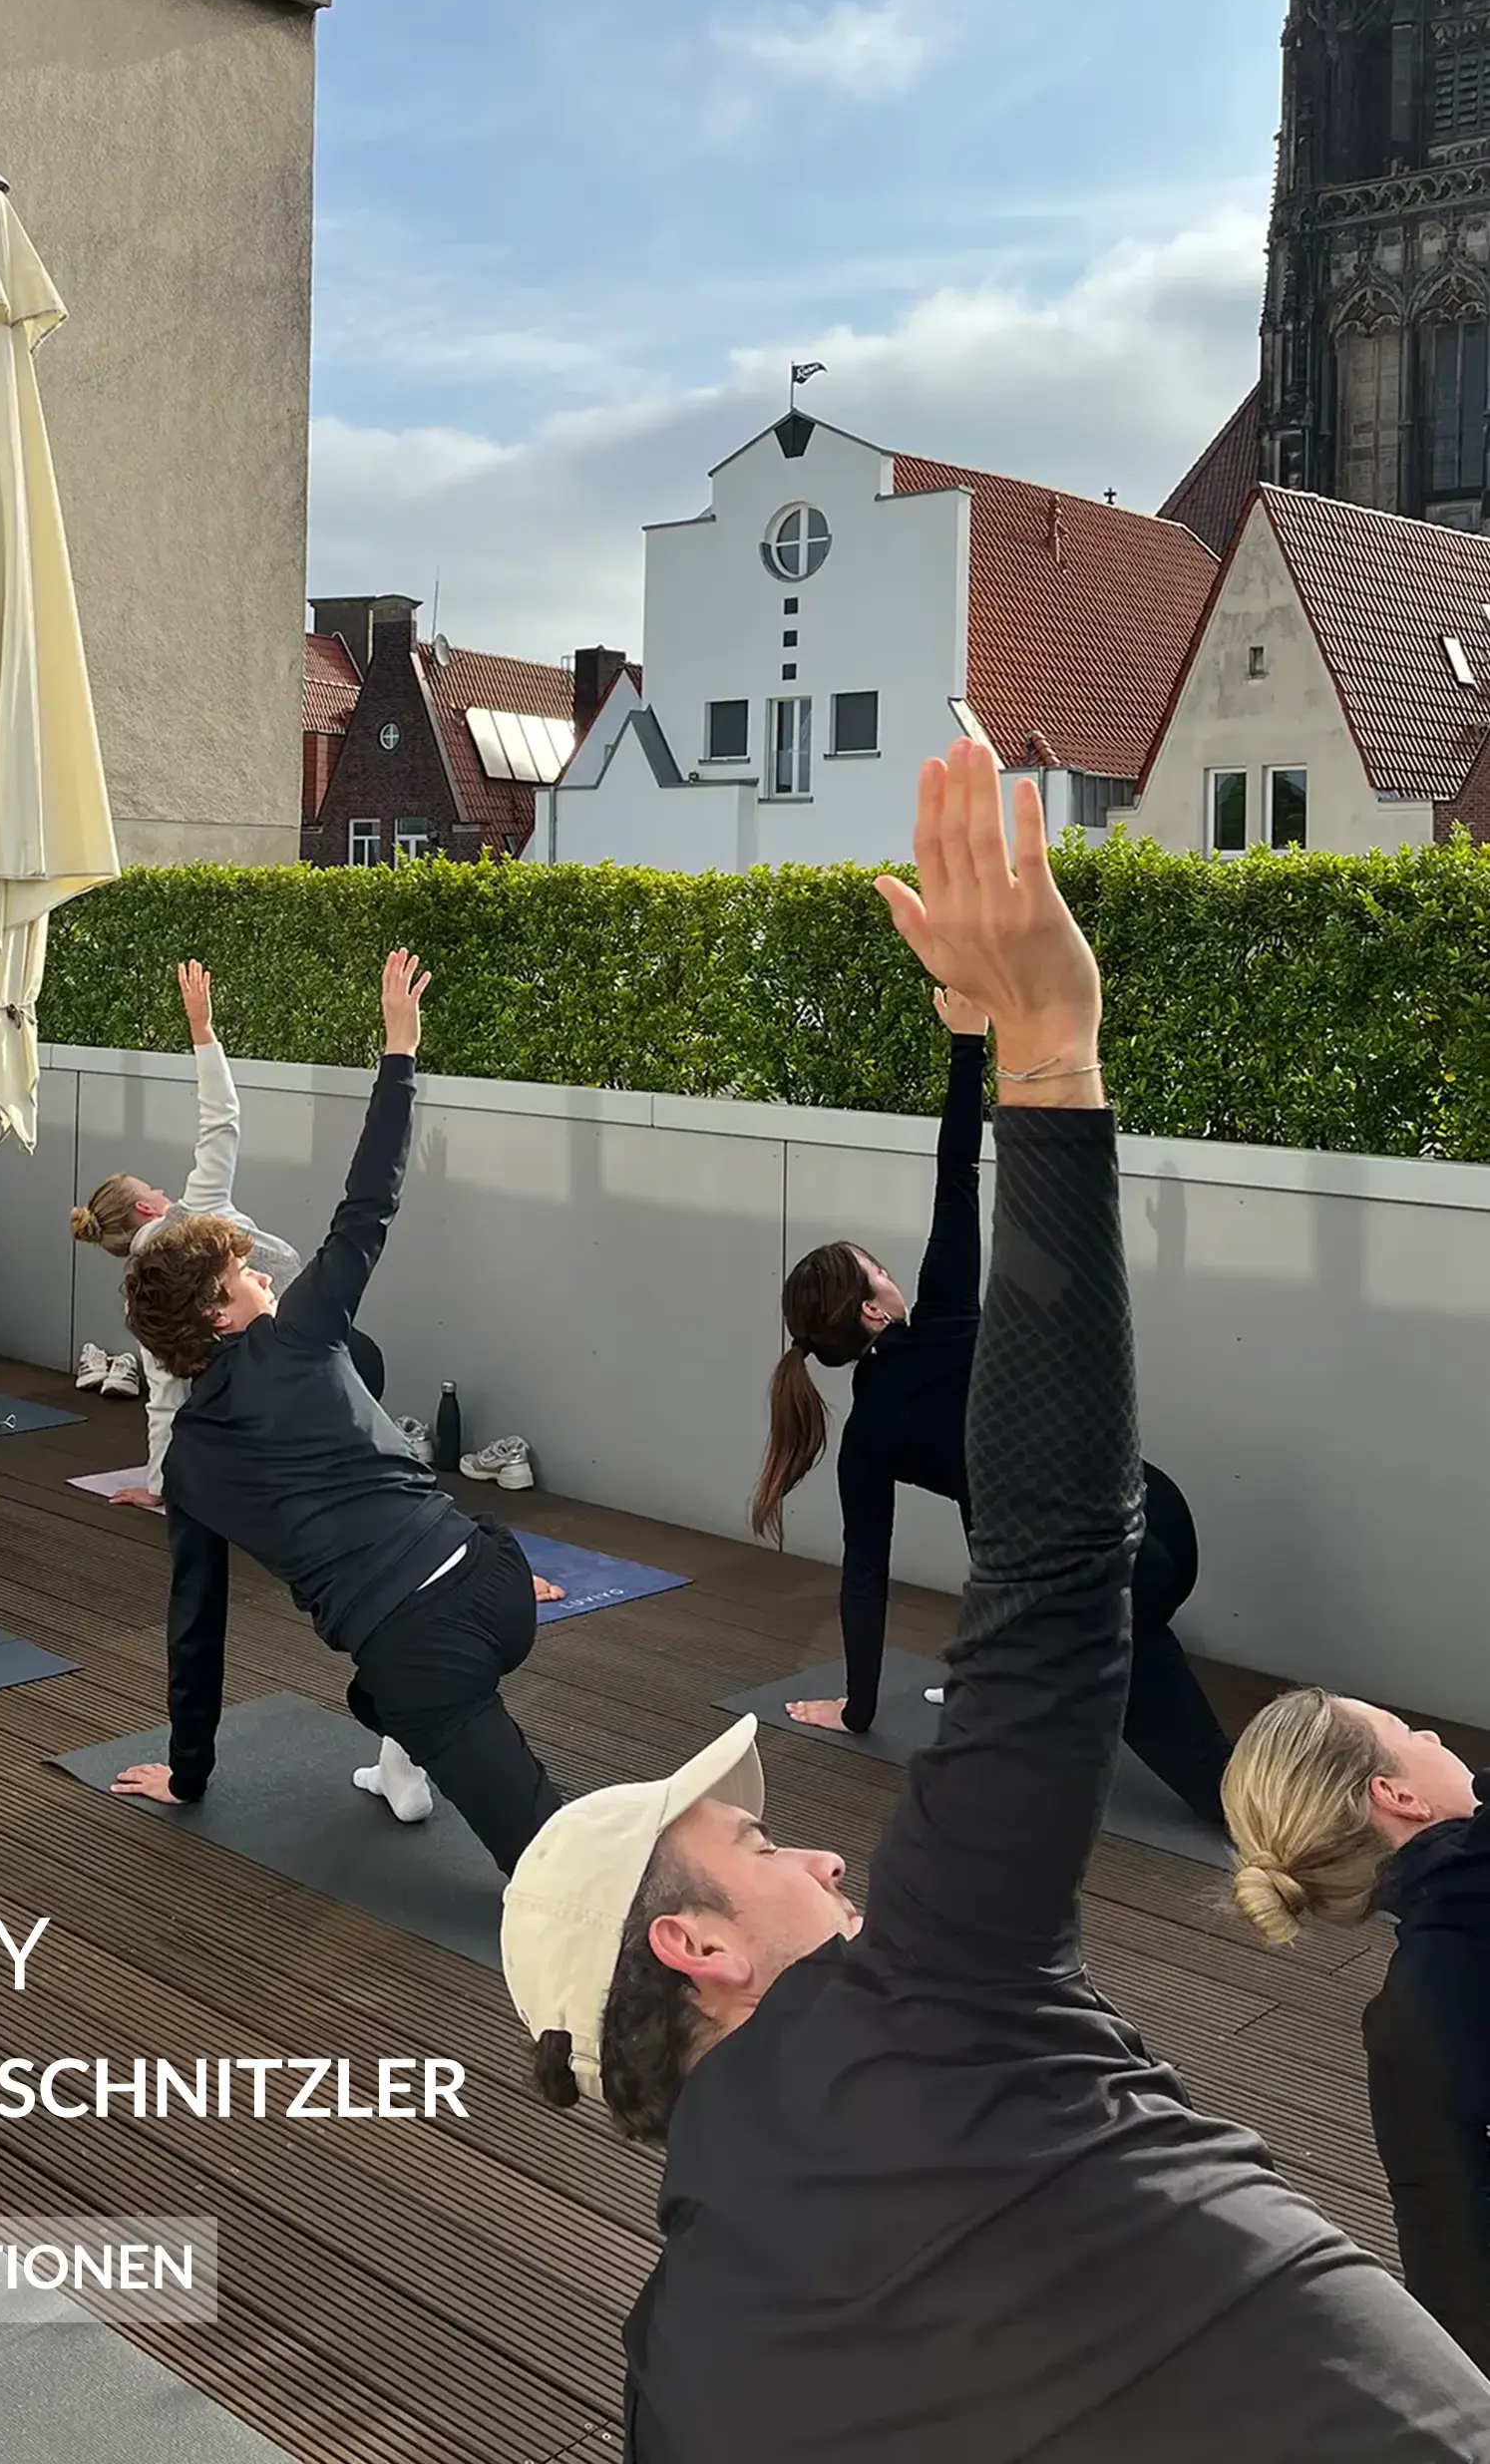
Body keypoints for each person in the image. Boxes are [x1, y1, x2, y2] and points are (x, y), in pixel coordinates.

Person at [500, 740, 1490, 2462]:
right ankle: (1275, 1832)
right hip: (1120, 1532)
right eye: (756, 1853)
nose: (816, 1849)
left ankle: (1273, 1833)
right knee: (1118, 1664)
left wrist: (865, 1704)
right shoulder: (931, 1989)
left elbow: (896, 1568)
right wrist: (1040, 1046)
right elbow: (1034, 1570)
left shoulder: (678, 2382)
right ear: (696, 1947)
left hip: (1108, 1547)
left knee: (1128, 1678)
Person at [112, 951, 564, 1869]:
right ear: (214, 1310)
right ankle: (405, 1758)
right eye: (246, 1274)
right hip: (495, 1584)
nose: (265, 1274)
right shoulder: (301, 1335)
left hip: (421, 1652)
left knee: (554, 1863)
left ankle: (417, 1739)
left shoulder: (187, 1463)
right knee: (395, 1698)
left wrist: (189, 1774)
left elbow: (196, 1622)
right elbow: (368, 1206)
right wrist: (399, 1053)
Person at [754, 983, 1232, 1830]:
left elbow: (866, 1581)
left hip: (1104, 1571)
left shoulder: (870, 1440)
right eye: (879, 1271)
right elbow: (958, 1174)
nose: (893, 1274)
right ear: (874, 1309)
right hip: (1158, 1514)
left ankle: (1091, 1682)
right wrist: (967, 1042)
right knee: (1018, 1564)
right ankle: (1065, 1669)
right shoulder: (942, 1316)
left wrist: (857, 1710)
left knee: (1218, 1787)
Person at [1225, 1687, 1490, 2368]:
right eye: (1406, 1731)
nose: (1430, 1736)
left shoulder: (1416, 2015)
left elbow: (1453, 2259)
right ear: (1396, 1796)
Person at [72, 960, 342, 1510]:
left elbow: (164, 1400)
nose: (165, 1190)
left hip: (257, 1385)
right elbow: (222, 1120)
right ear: (147, 1206)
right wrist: (202, 1029)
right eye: (153, 1188)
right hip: (312, 1345)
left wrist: (157, 1488)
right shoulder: (196, 1214)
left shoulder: (143, 1297)